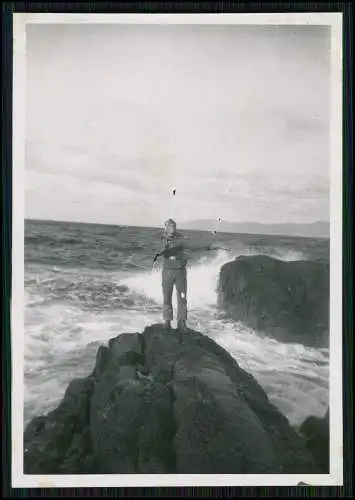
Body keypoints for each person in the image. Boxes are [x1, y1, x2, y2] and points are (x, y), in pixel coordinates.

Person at [153, 218, 215, 332]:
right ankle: (167, 321)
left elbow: (193, 245)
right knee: (167, 297)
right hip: (167, 271)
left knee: (182, 297)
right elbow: (158, 251)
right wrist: (165, 242)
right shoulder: (162, 239)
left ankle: (182, 322)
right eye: (169, 226)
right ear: (165, 227)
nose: (172, 228)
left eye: (174, 226)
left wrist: (207, 245)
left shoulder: (181, 239)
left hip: (180, 272)